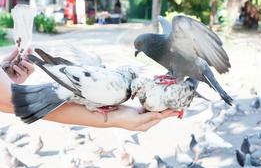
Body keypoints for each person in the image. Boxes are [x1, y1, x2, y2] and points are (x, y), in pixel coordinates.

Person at [0, 48, 178, 131]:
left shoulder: (120, 86)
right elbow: (8, 100)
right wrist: (114, 119)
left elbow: (6, 99)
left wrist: (4, 77)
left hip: (76, 84)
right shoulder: (119, 89)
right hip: (74, 87)